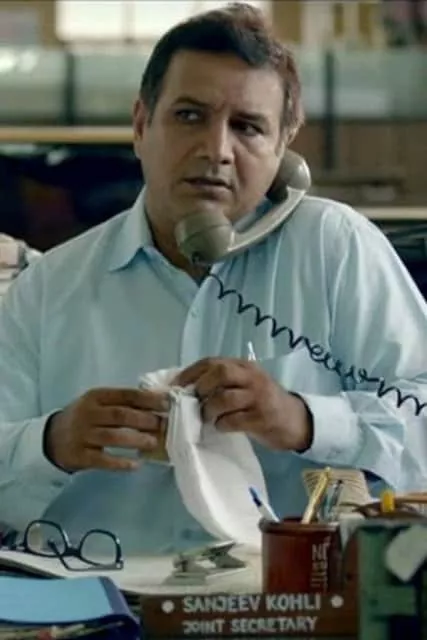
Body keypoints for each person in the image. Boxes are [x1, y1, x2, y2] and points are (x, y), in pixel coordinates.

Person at [0, 2, 426, 556]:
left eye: (247, 127)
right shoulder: (47, 288)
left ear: (283, 149)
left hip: (288, 590)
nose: (216, 150)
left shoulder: (335, 248)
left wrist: (305, 419)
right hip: (97, 590)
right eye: (189, 116)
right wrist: (50, 442)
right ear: (141, 125)